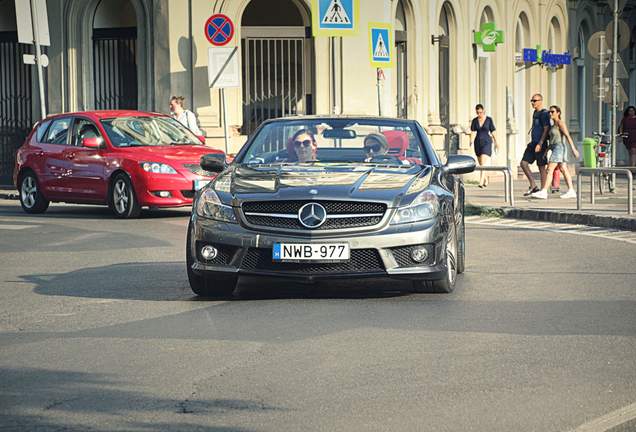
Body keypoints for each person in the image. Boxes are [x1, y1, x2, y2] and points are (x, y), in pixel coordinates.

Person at [530, 105, 580, 199]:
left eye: (552, 112)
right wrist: (546, 150)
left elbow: (567, 136)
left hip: (559, 148)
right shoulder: (553, 125)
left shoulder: (560, 123)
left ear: (558, 113)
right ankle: (571, 190)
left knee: (549, 169)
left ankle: (544, 191)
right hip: (554, 147)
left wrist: (574, 149)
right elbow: (552, 140)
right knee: (563, 169)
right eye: (549, 112)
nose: (550, 113)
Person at [521, 94, 550, 196]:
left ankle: (543, 190)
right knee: (523, 163)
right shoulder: (535, 113)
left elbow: (546, 129)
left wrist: (541, 143)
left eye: (535, 100)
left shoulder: (545, 113)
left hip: (540, 144)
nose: (533, 103)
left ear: (540, 101)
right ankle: (533, 186)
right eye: (531, 101)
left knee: (541, 166)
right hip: (533, 143)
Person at [470, 104, 498, 188]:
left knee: (483, 162)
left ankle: (481, 181)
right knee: (481, 163)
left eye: (480, 112)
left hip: (487, 142)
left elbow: (493, 131)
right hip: (477, 143)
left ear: (483, 111)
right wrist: (471, 141)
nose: (479, 114)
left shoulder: (489, 120)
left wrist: (497, 142)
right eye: (477, 113)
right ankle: (485, 179)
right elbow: (473, 131)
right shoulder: (474, 120)